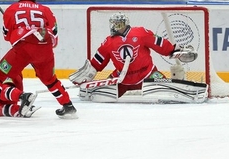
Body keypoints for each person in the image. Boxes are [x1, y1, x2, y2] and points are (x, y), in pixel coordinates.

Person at [0, 0, 77, 123]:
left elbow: (6, 36)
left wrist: (18, 30)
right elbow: (54, 34)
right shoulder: (45, 9)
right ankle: (68, 106)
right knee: (50, 80)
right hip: (45, 50)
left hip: (23, 49)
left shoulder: (12, 9)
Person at [69, 12, 201, 102]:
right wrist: (86, 75)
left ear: (123, 24)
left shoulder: (140, 33)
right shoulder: (108, 42)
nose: (114, 26)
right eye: (113, 23)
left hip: (147, 75)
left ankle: (183, 91)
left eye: (117, 23)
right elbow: (97, 63)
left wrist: (174, 50)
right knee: (92, 94)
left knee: (167, 92)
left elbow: (160, 45)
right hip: (122, 79)